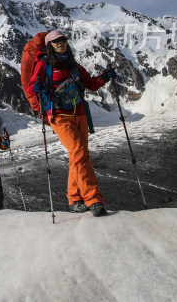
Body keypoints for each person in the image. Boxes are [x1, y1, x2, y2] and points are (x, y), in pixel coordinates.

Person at [27, 30, 116, 217]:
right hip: (59, 115)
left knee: (78, 156)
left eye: (63, 40)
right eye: (56, 41)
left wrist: (104, 77)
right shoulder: (44, 65)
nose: (61, 43)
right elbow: (32, 86)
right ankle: (93, 200)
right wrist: (37, 88)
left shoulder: (73, 65)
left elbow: (90, 84)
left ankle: (74, 200)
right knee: (79, 152)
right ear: (49, 45)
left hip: (80, 114)